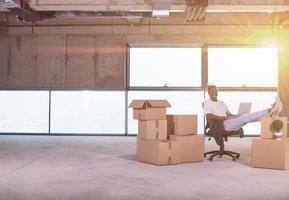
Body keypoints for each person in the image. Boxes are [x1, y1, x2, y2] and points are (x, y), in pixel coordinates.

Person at [203, 85, 283, 132]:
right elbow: (209, 116)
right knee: (245, 117)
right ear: (209, 93)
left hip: (228, 121)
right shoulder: (207, 103)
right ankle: (269, 110)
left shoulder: (222, 103)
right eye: (212, 91)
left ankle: (270, 113)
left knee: (245, 117)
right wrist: (223, 118)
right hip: (220, 124)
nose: (215, 93)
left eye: (216, 91)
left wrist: (235, 115)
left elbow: (229, 114)